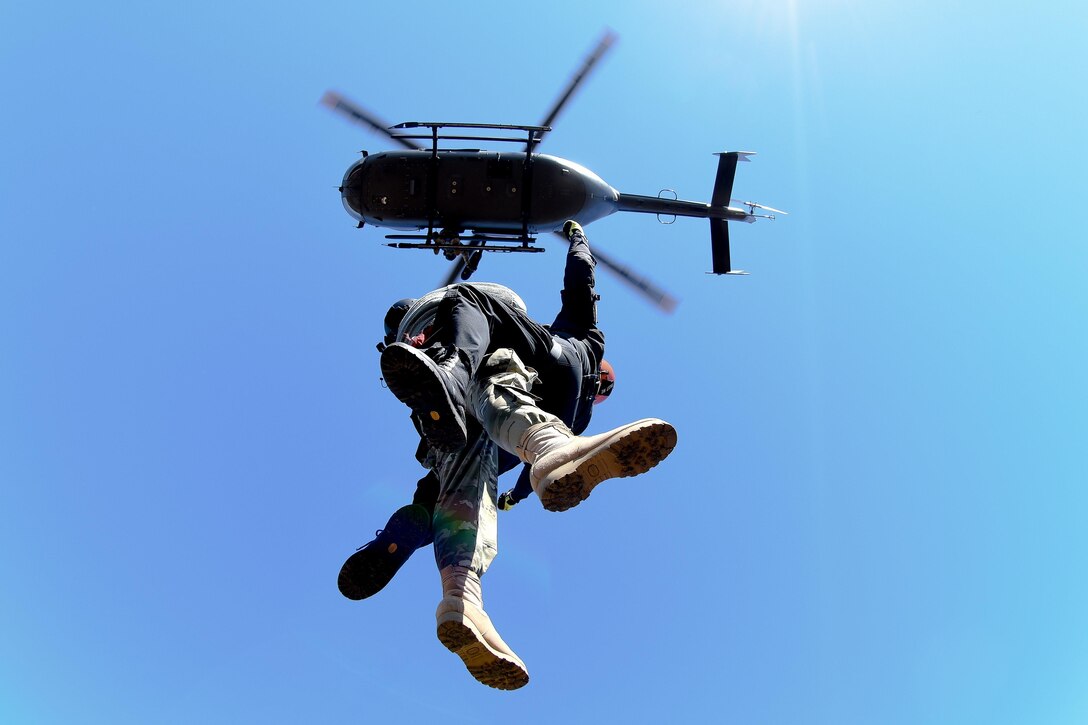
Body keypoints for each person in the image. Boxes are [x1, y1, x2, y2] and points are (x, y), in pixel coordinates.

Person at [342, 222, 677, 690]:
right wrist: (515, 499)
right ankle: (462, 596)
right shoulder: (582, 411)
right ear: (603, 390)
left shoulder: (585, 337)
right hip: (521, 433)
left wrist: (579, 240)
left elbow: (580, 283)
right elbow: (521, 481)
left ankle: (449, 391)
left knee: (473, 307)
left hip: (507, 365)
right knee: (481, 430)